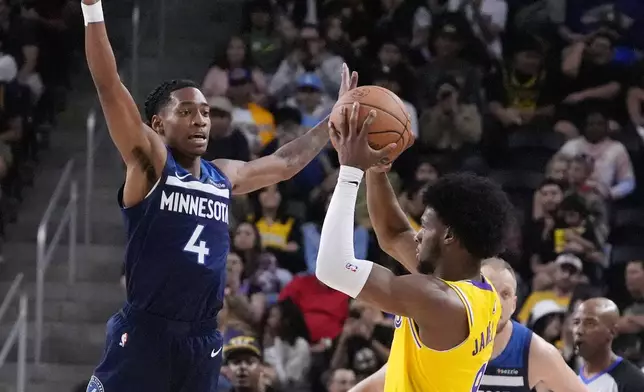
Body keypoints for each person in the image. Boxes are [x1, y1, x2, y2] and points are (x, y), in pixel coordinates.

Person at [79, 1, 360, 391]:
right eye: (188, 112)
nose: (201, 121)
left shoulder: (223, 175)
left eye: (207, 113)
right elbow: (109, 84)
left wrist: (332, 121)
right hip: (147, 331)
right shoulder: (150, 165)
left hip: (204, 337)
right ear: (158, 123)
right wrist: (92, 9)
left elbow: (284, 162)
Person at [316, 103, 512, 391]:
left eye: (426, 225)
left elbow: (333, 268)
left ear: (449, 236)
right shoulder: (479, 292)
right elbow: (394, 234)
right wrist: (376, 170)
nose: (417, 235)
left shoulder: (440, 301)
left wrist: (349, 170)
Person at [479, 258, 589, 392]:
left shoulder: (536, 352)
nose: (497, 302)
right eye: (489, 291)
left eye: (505, 294)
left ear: (513, 305)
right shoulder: (447, 340)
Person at [572, 298, 644, 391]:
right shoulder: (568, 377)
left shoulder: (633, 382)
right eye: (576, 322)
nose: (579, 330)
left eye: (590, 323)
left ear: (612, 332)